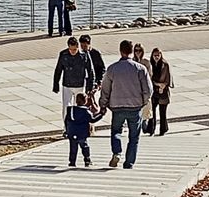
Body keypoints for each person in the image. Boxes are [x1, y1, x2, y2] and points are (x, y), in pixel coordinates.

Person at [100, 40, 152, 170]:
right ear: (131, 51)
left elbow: (105, 89)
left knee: (116, 131)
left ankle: (117, 152)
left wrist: (103, 104)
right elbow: (148, 89)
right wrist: (144, 101)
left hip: (117, 106)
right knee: (134, 137)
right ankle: (129, 163)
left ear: (120, 51)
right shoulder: (140, 68)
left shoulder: (112, 68)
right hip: (135, 106)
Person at [52, 37, 95, 123]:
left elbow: (90, 71)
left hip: (80, 85)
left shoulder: (84, 55)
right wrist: (56, 84)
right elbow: (58, 70)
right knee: (66, 106)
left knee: (79, 107)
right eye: (71, 49)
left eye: (75, 49)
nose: (72, 52)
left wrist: (90, 86)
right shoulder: (63, 54)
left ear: (78, 47)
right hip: (67, 85)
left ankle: (77, 124)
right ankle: (66, 126)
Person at [66, 92, 105, 168]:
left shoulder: (71, 110)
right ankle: (87, 160)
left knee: (73, 148)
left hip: (72, 132)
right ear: (85, 101)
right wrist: (101, 114)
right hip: (82, 133)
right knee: (84, 146)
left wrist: (67, 129)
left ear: (76, 101)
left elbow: (66, 120)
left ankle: (72, 162)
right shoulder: (86, 111)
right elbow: (92, 120)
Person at [149, 47, 173, 136]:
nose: (156, 57)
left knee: (163, 112)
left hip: (163, 90)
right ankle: (151, 129)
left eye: (158, 55)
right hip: (153, 90)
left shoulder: (165, 65)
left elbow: (168, 78)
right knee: (152, 112)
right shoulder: (150, 64)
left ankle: (163, 129)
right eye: (155, 55)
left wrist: (163, 85)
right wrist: (156, 84)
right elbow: (148, 78)